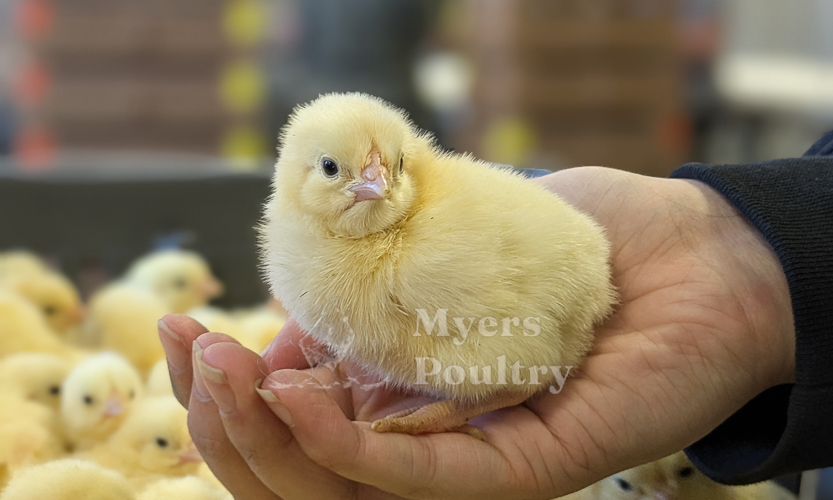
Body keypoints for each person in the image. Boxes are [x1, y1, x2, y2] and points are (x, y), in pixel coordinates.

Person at [158, 131, 833, 499]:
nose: (375, 184)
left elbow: (537, 306)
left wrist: (750, 267)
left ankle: (500, 390)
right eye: (338, 169)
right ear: (295, 177)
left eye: (387, 167)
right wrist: (752, 256)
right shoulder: (326, 247)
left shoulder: (420, 249)